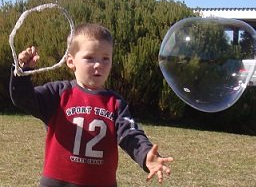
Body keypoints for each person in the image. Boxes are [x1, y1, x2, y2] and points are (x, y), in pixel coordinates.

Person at [9, 23, 173, 187]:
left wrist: (146, 155)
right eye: (89, 58)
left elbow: (130, 135)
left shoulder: (115, 103)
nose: (98, 65)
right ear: (71, 62)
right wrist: (21, 73)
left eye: (105, 59)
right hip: (56, 183)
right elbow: (24, 99)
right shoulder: (58, 93)